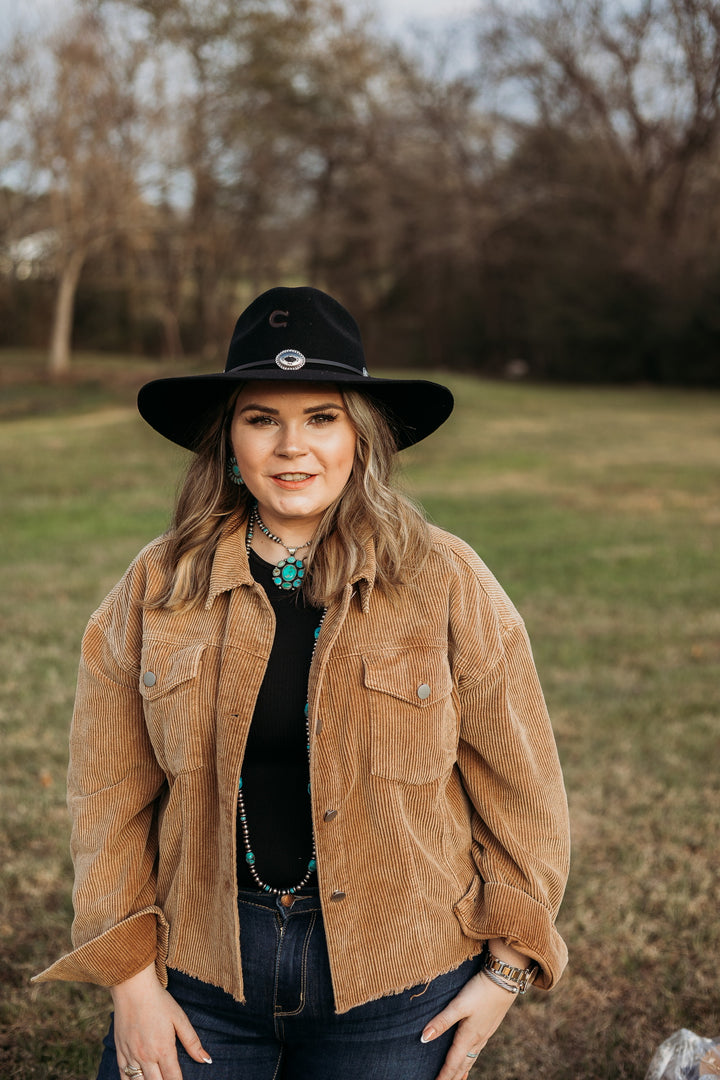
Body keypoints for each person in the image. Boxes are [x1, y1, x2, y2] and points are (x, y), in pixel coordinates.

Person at [34, 286, 570, 1080]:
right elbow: (108, 800)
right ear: (229, 443)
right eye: (262, 419)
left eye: (322, 417)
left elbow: (522, 790)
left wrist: (504, 971)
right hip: (202, 973)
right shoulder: (157, 587)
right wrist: (133, 984)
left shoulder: (446, 579)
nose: (293, 447)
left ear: (362, 437)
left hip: (400, 977)